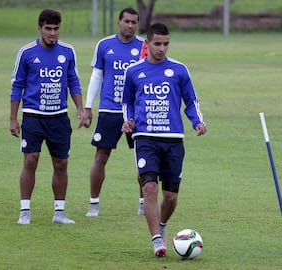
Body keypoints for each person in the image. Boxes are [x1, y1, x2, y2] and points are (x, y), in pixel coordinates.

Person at [121, 22, 207, 257]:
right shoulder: (134, 71)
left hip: (173, 139)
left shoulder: (179, 70)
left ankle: (162, 224)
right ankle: (157, 240)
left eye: (165, 44)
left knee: (170, 197)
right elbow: (127, 102)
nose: (161, 48)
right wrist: (128, 120)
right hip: (145, 138)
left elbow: (191, 100)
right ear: (147, 44)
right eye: (157, 44)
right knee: (149, 187)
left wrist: (197, 121)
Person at [10, 9, 85, 225]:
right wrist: (13, 119)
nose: (52, 33)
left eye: (56, 29)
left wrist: (80, 108)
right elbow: (17, 86)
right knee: (31, 159)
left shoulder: (68, 51)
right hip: (33, 116)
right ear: (40, 28)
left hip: (59, 117)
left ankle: (59, 212)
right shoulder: (26, 52)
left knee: (61, 163)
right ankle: (25, 210)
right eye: (48, 29)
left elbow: (74, 81)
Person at [82, 8, 146, 217]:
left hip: (136, 112)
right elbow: (97, 76)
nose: (129, 25)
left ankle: (144, 203)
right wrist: (88, 106)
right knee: (101, 155)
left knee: (143, 157)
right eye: (126, 21)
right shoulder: (104, 45)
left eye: (133, 22)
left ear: (137, 24)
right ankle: (94, 204)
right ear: (119, 22)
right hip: (110, 109)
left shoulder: (145, 46)